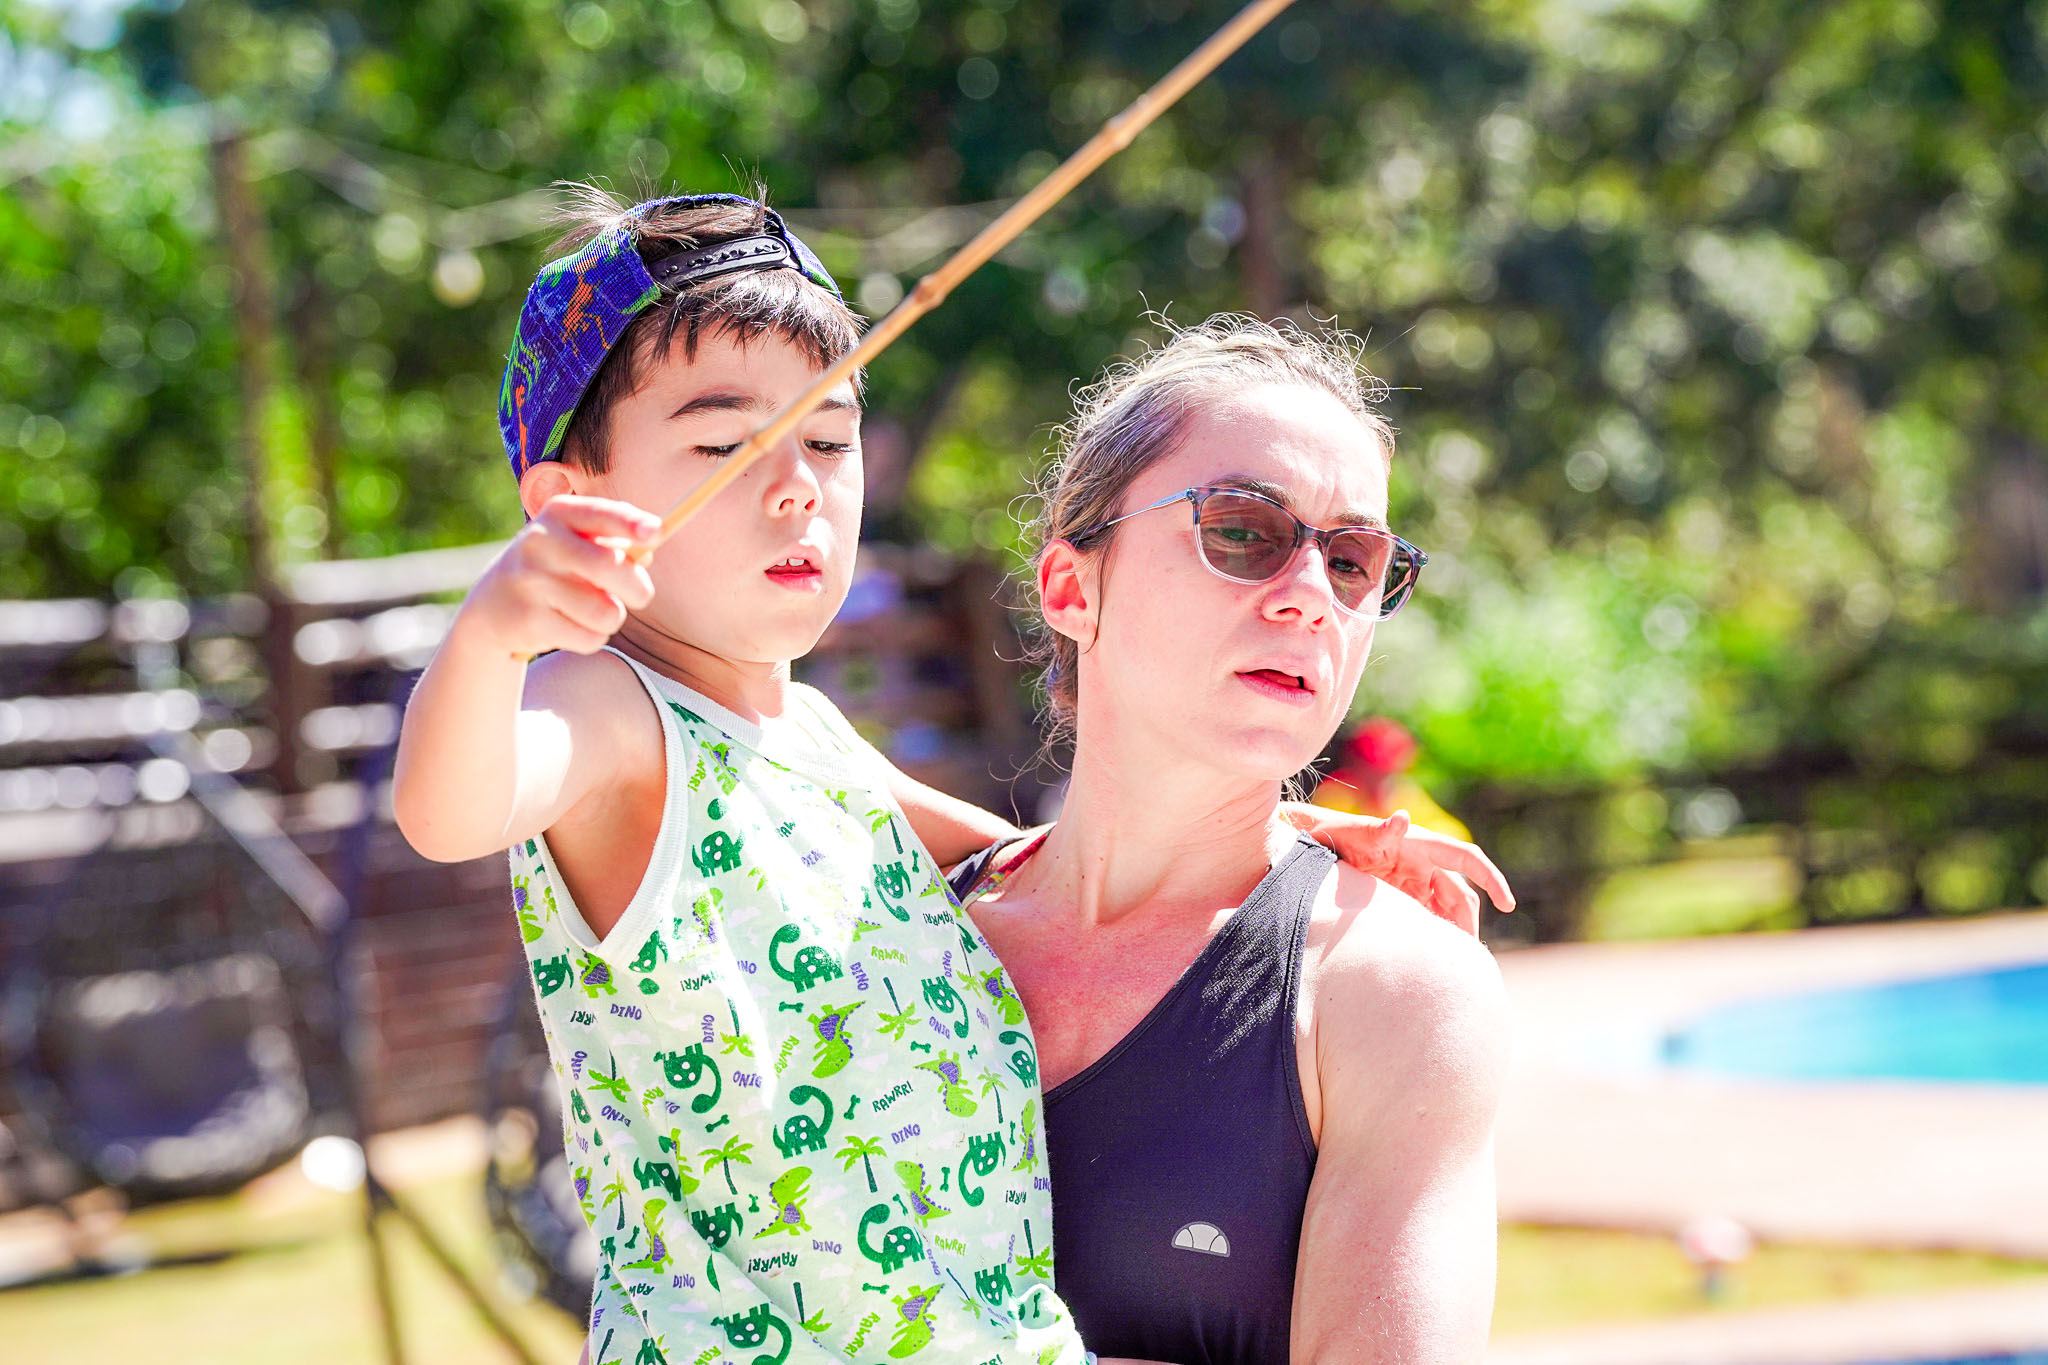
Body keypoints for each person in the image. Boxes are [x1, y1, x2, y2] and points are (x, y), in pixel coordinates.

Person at [391, 190, 1503, 1364]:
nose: (794, 485)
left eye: (828, 441)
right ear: (572, 507)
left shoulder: (811, 744)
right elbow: (450, 808)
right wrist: (492, 636)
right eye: (724, 445)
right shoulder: (601, 707)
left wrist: (1291, 839)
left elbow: (1001, 848)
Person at [949, 316, 1513, 1365]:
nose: (1310, 599)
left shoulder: (1390, 994)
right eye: (1244, 533)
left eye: (1352, 560)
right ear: (1071, 587)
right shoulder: (895, 922)